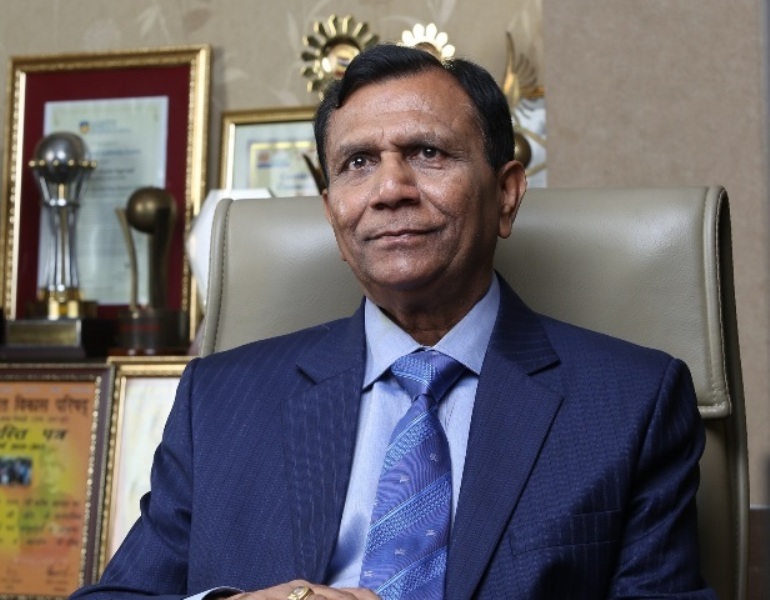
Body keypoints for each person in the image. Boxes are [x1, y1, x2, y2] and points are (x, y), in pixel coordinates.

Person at [71, 44, 715, 600]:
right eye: (358, 163)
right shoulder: (219, 402)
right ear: (332, 213)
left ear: (507, 194)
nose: (389, 189)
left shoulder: (630, 404)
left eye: (428, 152)